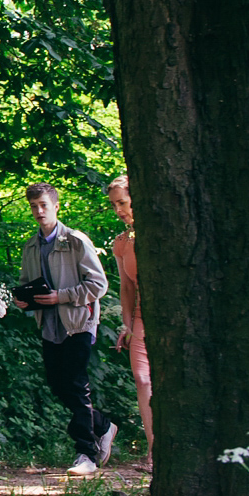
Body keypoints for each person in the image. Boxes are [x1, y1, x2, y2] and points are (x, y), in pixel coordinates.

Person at [14, 182, 115, 477]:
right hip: (49, 324)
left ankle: (87, 452)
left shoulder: (75, 241)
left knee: (76, 384)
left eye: (43, 205)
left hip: (78, 322)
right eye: (33, 206)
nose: (38, 211)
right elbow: (26, 282)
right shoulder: (32, 246)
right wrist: (25, 301)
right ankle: (103, 425)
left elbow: (98, 284)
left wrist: (62, 296)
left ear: (56, 206)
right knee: (58, 385)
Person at [108, 175, 151, 471]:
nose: (119, 209)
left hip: (170, 320)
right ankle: (154, 448)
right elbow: (126, 287)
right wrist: (127, 324)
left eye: (123, 202)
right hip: (139, 319)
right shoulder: (122, 243)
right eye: (114, 205)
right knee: (143, 380)